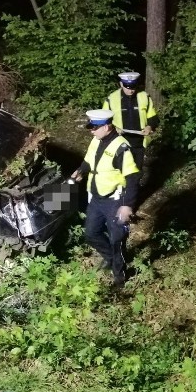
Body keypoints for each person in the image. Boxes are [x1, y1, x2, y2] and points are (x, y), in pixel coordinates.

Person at [71, 109, 140, 289]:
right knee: (91, 234)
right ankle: (112, 259)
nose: (91, 131)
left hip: (115, 200)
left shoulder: (121, 147)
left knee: (117, 239)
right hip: (96, 198)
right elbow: (88, 161)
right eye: (91, 127)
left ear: (107, 126)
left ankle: (120, 278)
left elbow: (132, 177)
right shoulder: (96, 140)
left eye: (94, 127)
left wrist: (127, 206)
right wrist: (80, 172)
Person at [103, 72, 158, 180]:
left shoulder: (144, 97)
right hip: (119, 142)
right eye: (127, 87)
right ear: (121, 84)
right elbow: (104, 120)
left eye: (133, 87)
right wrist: (113, 129)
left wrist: (150, 127)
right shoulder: (111, 98)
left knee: (136, 171)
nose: (130, 90)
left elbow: (153, 117)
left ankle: (134, 194)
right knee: (120, 171)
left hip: (138, 142)